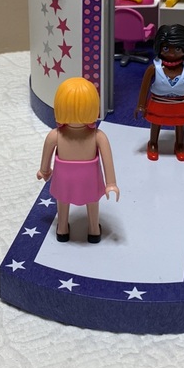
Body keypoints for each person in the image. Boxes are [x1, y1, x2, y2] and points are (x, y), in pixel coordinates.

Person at [37, 77, 119, 243]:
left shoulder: (55, 135)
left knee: (63, 201)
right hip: (89, 178)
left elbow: (46, 159)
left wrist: (44, 171)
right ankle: (94, 230)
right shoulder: (98, 136)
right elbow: (107, 160)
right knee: (92, 201)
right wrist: (111, 183)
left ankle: (62, 229)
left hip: (65, 178)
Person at [134, 24, 184, 161]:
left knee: (180, 123)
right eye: (166, 48)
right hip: (158, 102)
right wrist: (141, 105)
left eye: (177, 49)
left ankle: (180, 144)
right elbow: (144, 88)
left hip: (181, 103)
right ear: (159, 48)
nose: (171, 53)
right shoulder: (154, 68)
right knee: (156, 122)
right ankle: (153, 143)